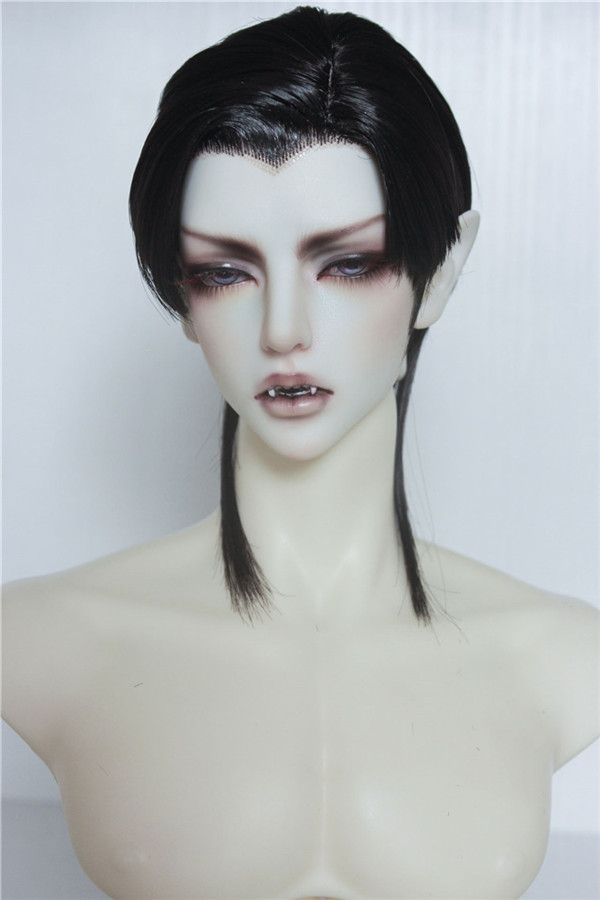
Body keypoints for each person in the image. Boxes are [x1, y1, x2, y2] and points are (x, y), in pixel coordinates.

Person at [3, 7, 598, 900]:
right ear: (183, 295)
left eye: (347, 264)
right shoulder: (38, 641)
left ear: (441, 271)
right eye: (225, 272)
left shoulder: (565, 658)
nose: (283, 329)